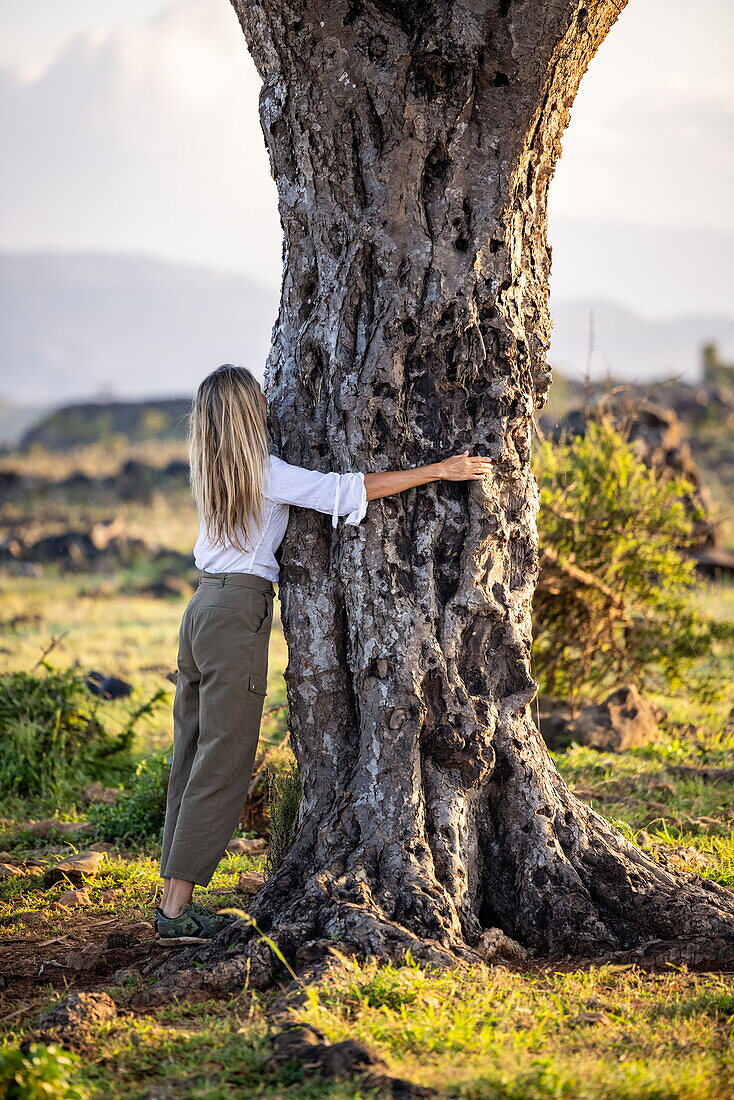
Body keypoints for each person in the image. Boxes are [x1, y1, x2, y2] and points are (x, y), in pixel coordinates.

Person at [154, 363, 492, 942]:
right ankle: (177, 912)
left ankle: (171, 900)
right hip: (235, 613)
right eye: (259, 397)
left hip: (201, 609)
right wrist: (441, 470)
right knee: (223, 758)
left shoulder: (216, 473)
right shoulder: (264, 473)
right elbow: (346, 491)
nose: (270, 400)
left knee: (192, 752)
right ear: (244, 414)